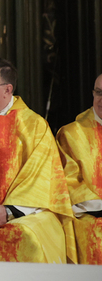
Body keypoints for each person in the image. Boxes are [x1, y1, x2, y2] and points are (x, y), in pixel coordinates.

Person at [0, 57, 76, 263]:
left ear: (7, 89)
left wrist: (9, 211)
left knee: (28, 238)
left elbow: (42, 181)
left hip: (26, 214)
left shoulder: (34, 126)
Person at [56, 73, 102, 264]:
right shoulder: (72, 134)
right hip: (92, 215)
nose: (101, 99)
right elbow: (69, 182)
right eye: (98, 92)